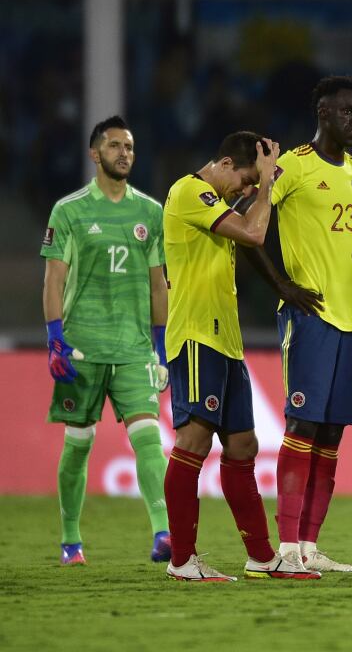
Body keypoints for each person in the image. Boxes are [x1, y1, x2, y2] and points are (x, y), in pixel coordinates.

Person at [161, 132, 320, 581]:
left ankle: (261, 556)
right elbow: (255, 233)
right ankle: (181, 561)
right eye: (247, 179)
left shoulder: (215, 202)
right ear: (226, 161)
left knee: (243, 446)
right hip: (195, 336)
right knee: (192, 442)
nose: (249, 189)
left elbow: (247, 238)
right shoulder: (189, 191)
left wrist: (281, 286)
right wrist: (268, 184)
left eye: (255, 183)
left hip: (225, 340)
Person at [249, 76, 352, 573]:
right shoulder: (295, 167)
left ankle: (308, 547)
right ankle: (284, 549)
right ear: (323, 112)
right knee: (302, 425)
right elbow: (248, 224)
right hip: (311, 318)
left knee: (332, 432)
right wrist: (280, 283)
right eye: (349, 112)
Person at [40, 115, 171, 565]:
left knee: (149, 438)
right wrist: (55, 340)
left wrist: (160, 348)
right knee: (78, 444)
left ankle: (163, 534)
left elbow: (159, 285)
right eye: (114, 146)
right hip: (82, 347)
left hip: (134, 348)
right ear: (95, 154)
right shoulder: (70, 211)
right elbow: (53, 280)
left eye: (129, 147)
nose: (124, 153)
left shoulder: (151, 213)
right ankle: (71, 540)